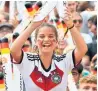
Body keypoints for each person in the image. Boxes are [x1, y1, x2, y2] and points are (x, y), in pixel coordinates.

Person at [10, 8, 87, 91]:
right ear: (35, 41)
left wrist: (71, 25)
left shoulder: (64, 61)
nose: (46, 40)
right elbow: (14, 50)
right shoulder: (27, 60)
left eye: (51, 36)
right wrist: (32, 26)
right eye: (42, 36)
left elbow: (82, 49)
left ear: (57, 42)